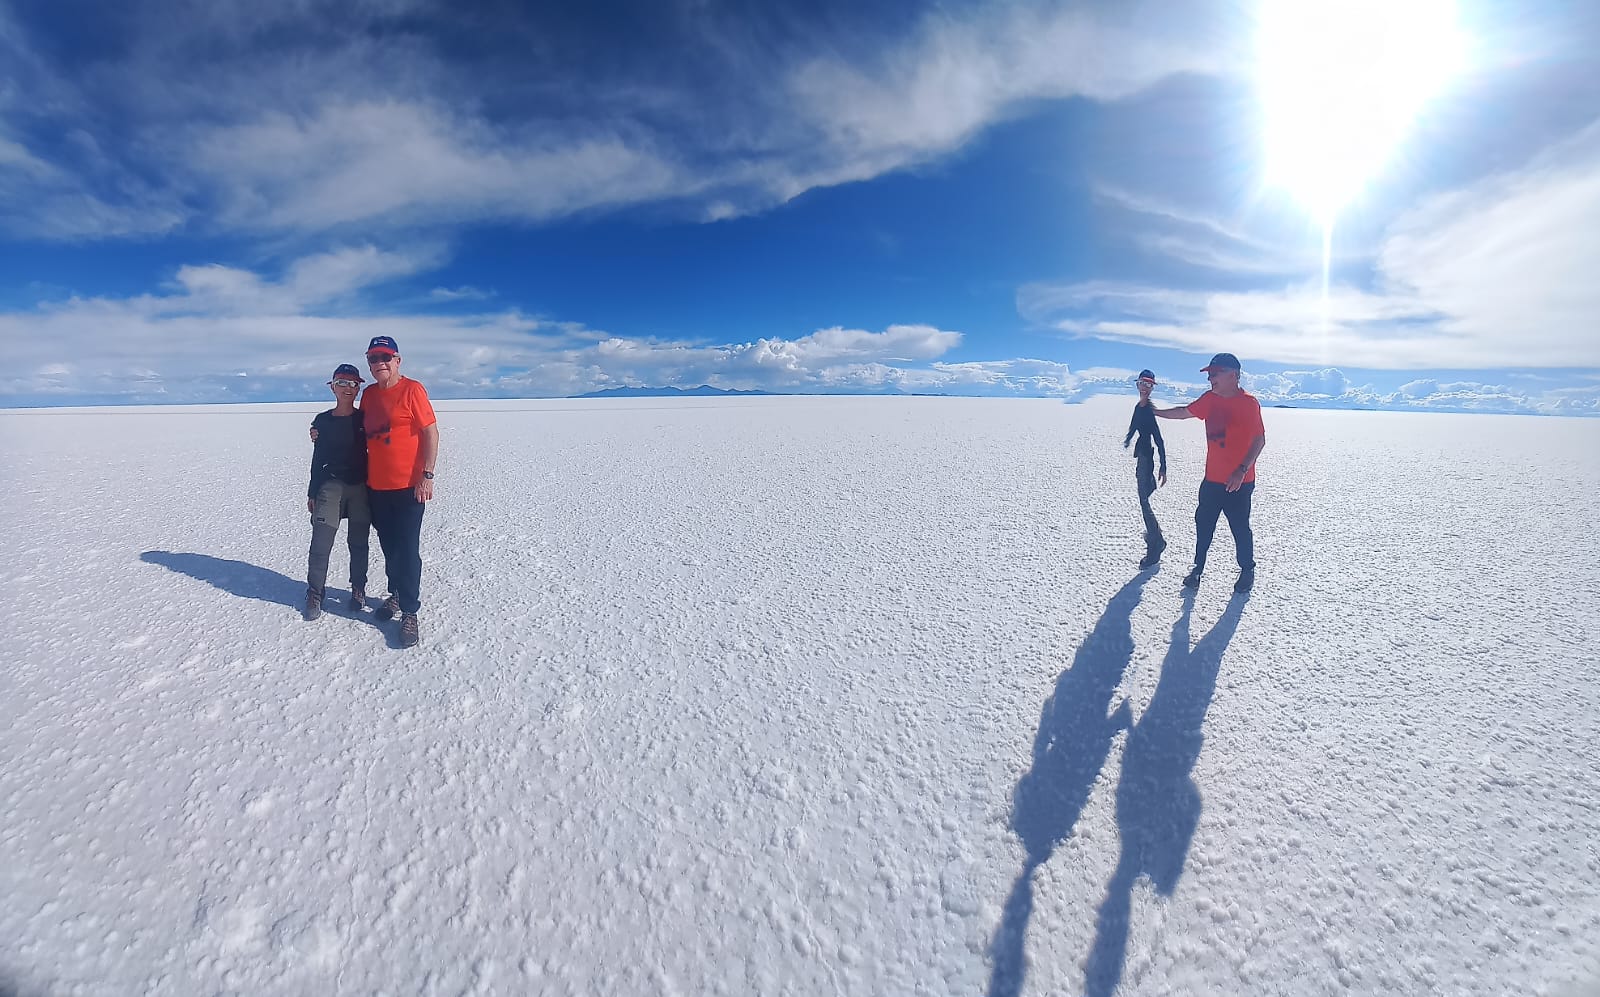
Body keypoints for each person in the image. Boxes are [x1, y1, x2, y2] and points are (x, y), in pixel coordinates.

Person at [1153, 352, 1266, 593]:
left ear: (1233, 375)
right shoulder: (1210, 400)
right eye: (1209, 374)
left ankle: (1247, 569)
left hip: (1240, 482)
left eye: (1215, 374)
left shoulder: (1249, 403)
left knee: (1239, 527)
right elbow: (1184, 412)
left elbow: (1259, 440)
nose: (1210, 379)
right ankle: (1197, 568)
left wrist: (1241, 470)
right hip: (1212, 481)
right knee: (1204, 526)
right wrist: (1154, 412)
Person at [360, 335, 439, 648]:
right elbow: (355, 429)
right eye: (373, 359)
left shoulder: (412, 390)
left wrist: (427, 475)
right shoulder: (368, 396)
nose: (379, 363)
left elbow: (431, 433)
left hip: (409, 487)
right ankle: (395, 594)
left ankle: (409, 610)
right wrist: (319, 430)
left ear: (397, 360)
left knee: (407, 549)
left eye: (385, 357)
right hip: (377, 487)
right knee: (389, 547)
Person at [304, 363, 371, 621]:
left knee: (358, 543)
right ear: (332, 387)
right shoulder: (322, 421)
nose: (348, 388)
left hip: (360, 489)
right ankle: (315, 592)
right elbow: (317, 457)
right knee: (321, 543)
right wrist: (312, 491)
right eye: (342, 383)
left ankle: (358, 589)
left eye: (353, 384)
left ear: (358, 389)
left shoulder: (364, 419)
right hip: (329, 487)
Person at [1123, 369, 1168, 569]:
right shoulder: (1139, 408)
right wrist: (1127, 440)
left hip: (1146, 460)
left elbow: (1159, 440)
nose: (1145, 388)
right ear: (1137, 384)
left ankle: (1155, 543)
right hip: (1141, 457)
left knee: (1144, 500)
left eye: (1149, 385)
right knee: (1143, 500)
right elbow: (1133, 426)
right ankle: (1156, 538)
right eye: (1143, 383)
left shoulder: (1149, 411)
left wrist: (1163, 466)